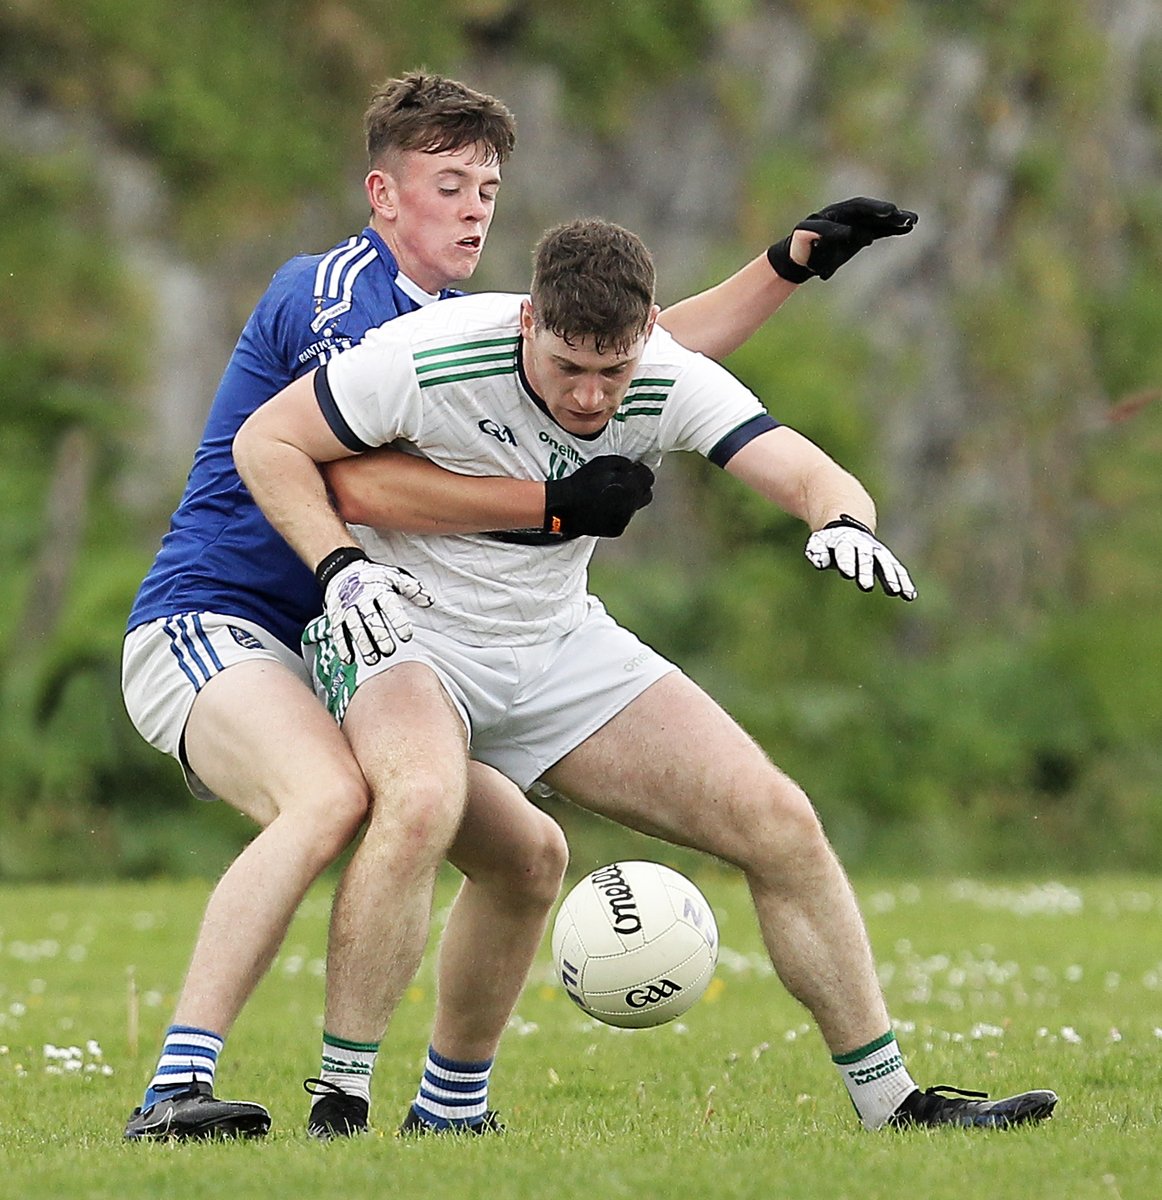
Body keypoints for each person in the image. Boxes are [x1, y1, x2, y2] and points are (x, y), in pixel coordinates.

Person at [119, 67, 917, 1141]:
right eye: (448, 184)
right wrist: (552, 504)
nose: (474, 207)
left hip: (368, 623)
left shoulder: (488, 328)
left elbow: (625, 361)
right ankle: (193, 1088)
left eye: (488, 187)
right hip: (233, 612)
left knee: (535, 856)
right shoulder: (344, 302)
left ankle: (451, 1115)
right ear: (381, 194)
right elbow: (344, 476)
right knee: (338, 799)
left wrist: (787, 267)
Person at [232, 216, 1059, 1136]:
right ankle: (341, 1101)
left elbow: (806, 469)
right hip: (402, 632)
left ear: (647, 334)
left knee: (779, 823)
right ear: (527, 323)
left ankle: (892, 1103)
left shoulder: (668, 371)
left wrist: (841, 521)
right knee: (421, 800)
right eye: (567, 368)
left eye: (612, 373)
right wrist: (340, 568)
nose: (590, 397)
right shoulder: (425, 355)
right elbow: (267, 444)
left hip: (557, 643)